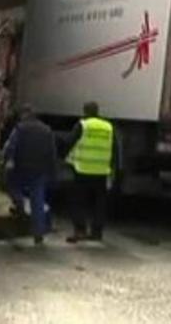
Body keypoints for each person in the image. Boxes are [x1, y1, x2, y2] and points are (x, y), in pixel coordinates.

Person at [2, 105, 57, 245]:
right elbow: (52, 152)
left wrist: (7, 160)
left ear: (24, 115)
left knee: (12, 185)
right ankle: (38, 232)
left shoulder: (20, 129)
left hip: (21, 167)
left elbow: (11, 147)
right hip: (40, 169)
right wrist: (51, 170)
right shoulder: (47, 130)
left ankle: (19, 203)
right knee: (37, 200)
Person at [65, 102, 114, 243]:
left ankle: (80, 230)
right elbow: (114, 150)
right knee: (99, 203)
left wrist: (64, 158)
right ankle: (97, 232)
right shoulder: (108, 127)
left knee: (79, 201)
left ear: (85, 111)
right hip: (101, 171)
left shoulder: (83, 125)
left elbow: (70, 142)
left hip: (83, 169)